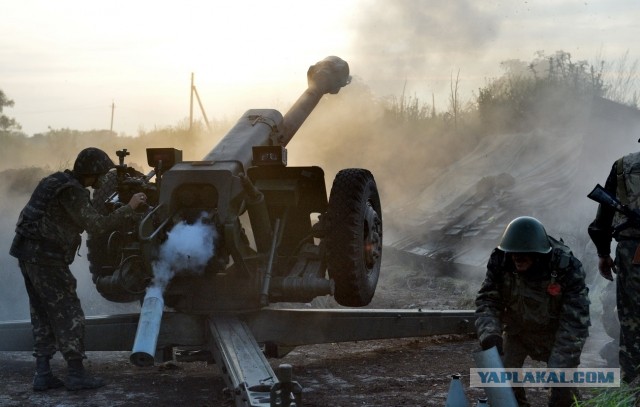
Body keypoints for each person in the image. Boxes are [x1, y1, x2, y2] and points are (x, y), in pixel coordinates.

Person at [9, 147, 147, 391]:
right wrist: (131, 207)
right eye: (101, 175)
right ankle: (76, 373)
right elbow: (96, 225)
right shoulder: (73, 192)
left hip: (27, 253)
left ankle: (43, 374)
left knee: (41, 312)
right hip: (46, 257)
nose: (103, 180)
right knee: (69, 312)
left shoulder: (56, 181)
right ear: (92, 174)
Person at [475, 216, 590, 407]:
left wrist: (560, 364)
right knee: (500, 379)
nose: (517, 259)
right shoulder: (501, 259)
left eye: (524, 255)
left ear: (538, 253)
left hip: (556, 334)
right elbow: (487, 299)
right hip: (517, 332)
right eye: (513, 254)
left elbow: (576, 320)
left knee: (563, 390)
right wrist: (490, 333)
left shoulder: (566, 266)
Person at [588, 150, 640, 383]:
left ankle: (632, 384)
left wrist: (603, 252)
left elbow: (604, 216)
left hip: (631, 250)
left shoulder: (622, 166)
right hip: (632, 250)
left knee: (631, 321)